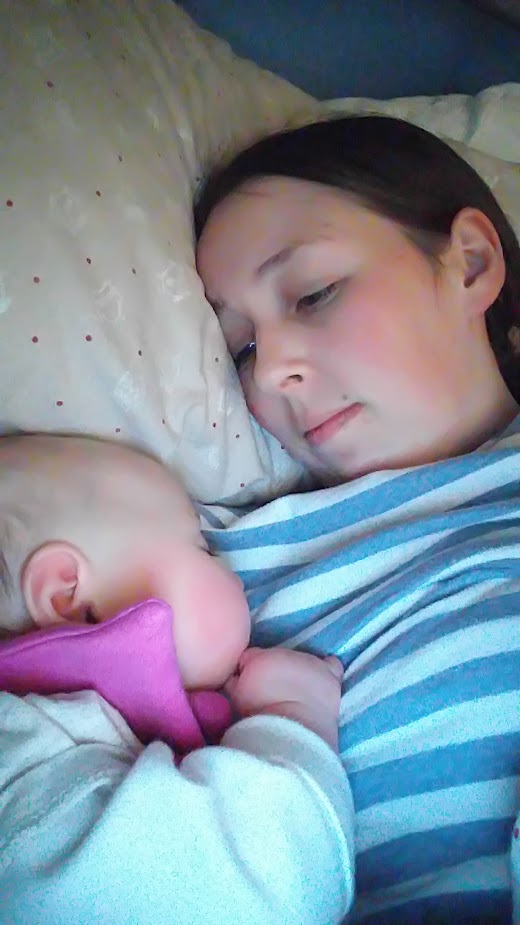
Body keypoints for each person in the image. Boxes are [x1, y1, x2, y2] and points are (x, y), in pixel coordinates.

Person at [195, 115, 520, 921]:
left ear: (471, 263)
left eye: (314, 293)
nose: (271, 371)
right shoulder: (224, 562)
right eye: (241, 349)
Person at [0, 433, 354, 925]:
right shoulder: (26, 774)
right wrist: (293, 716)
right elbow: (258, 897)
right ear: (70, 599)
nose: (236, 574)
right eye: (202, 549)